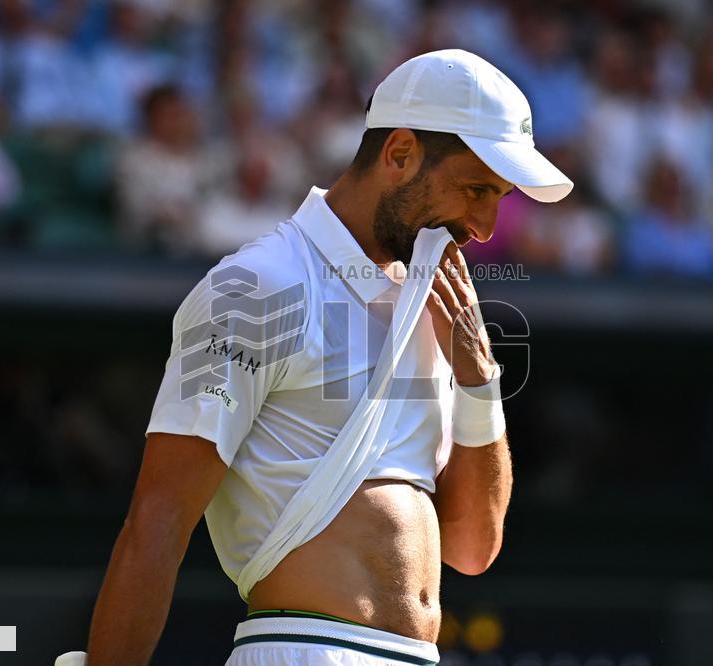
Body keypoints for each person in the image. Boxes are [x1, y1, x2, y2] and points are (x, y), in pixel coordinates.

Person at [72, 49, 572, 666]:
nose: (487, 225)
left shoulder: (439, 312)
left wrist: (478, 377)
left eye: (497, 196)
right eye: (475, 189)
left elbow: (473, 548)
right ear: (399, 154)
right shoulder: (255, 287)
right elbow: (157, 523)